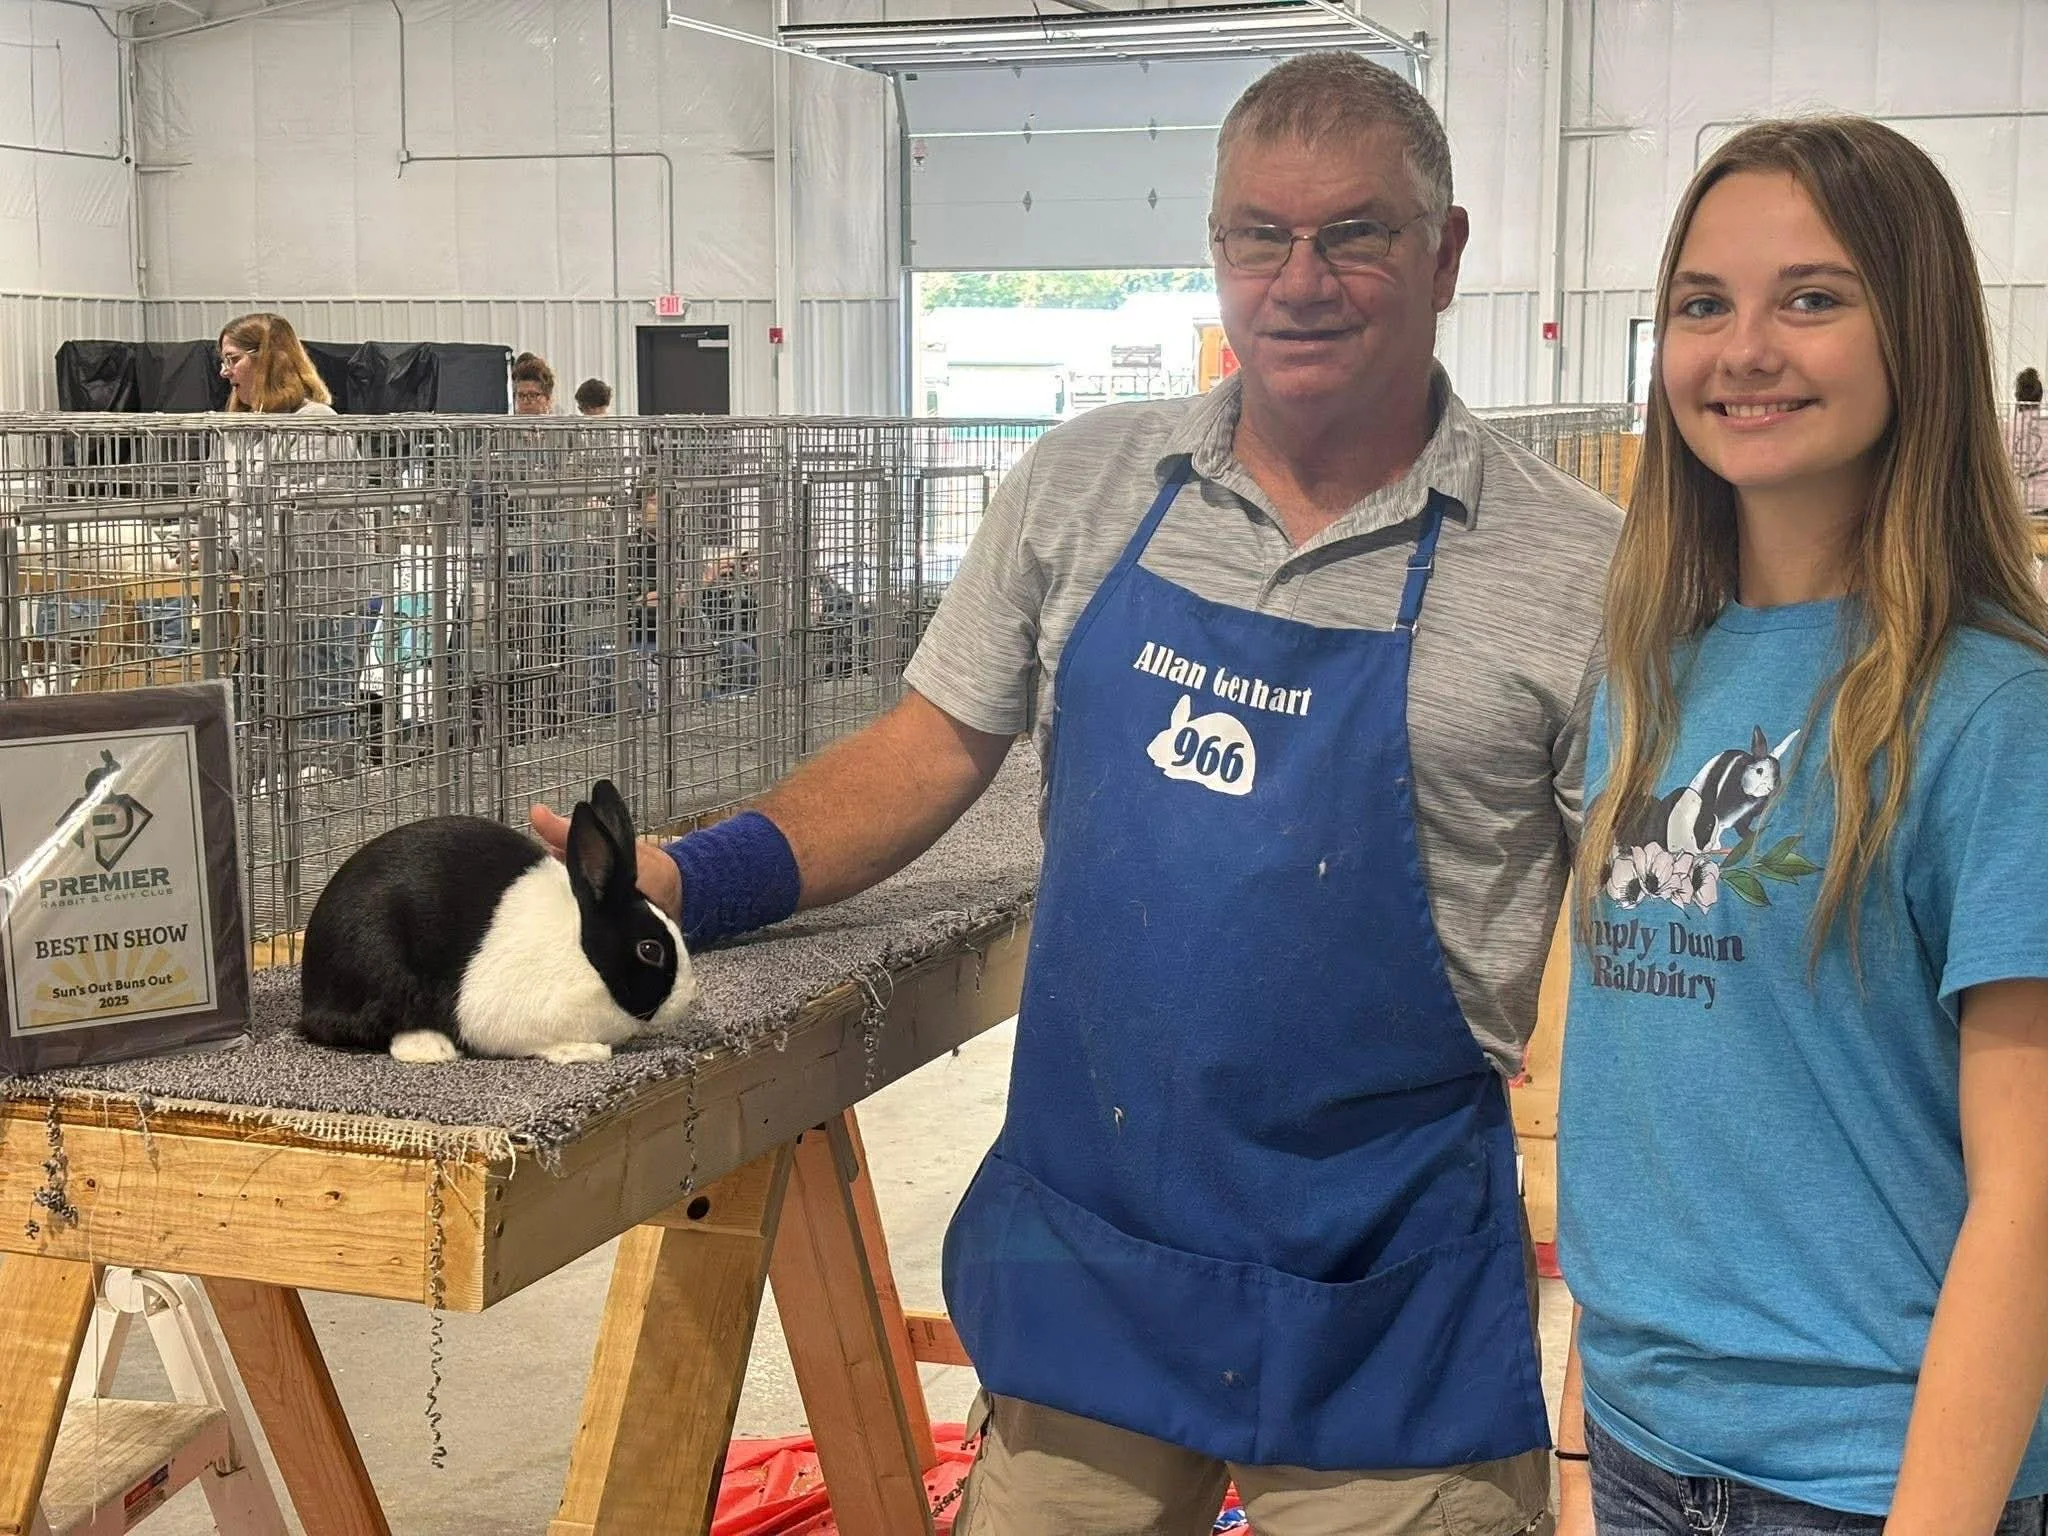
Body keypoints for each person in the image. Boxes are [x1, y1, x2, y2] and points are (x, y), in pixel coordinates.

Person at [535, 51, 1619, 1534]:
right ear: (1218, 251)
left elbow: (1658, 928)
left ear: (1446, 253)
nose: (1299, 280)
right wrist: (689, 880)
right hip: (1098, 1253)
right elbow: (924, 751)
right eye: (1259, 234)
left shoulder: (1575, 570)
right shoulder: (1087, 487)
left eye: (1355, 233)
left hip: (1386, 1289)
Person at [1556, 117, 2048, 1536]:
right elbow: (1657, 1099)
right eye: (1703, 304)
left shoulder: (1993, 713)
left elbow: (2030, 1200)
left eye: (1812, 299)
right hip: (1653, 1447)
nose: (1743, 348)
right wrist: (1593, 1458)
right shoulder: (1651, 667)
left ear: (1921, 337)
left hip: (1865, 1477)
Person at [214, 312, 373, 778]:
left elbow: (299, 516)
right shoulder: (240, 429)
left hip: (325, 602)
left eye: (233, 359)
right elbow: (221, 500)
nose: (225, 372)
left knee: (318, 727)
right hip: (269, 601)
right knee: (267, 722)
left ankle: (334, 824)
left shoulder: (316, 424)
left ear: (268, 361)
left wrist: (233, 553)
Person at [2008, 366, 2046, 520]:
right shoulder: (2045, 424)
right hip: (2045, 502)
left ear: (2017, 395)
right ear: (2040, 396)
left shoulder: (2007, 426)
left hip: (2017, 502)